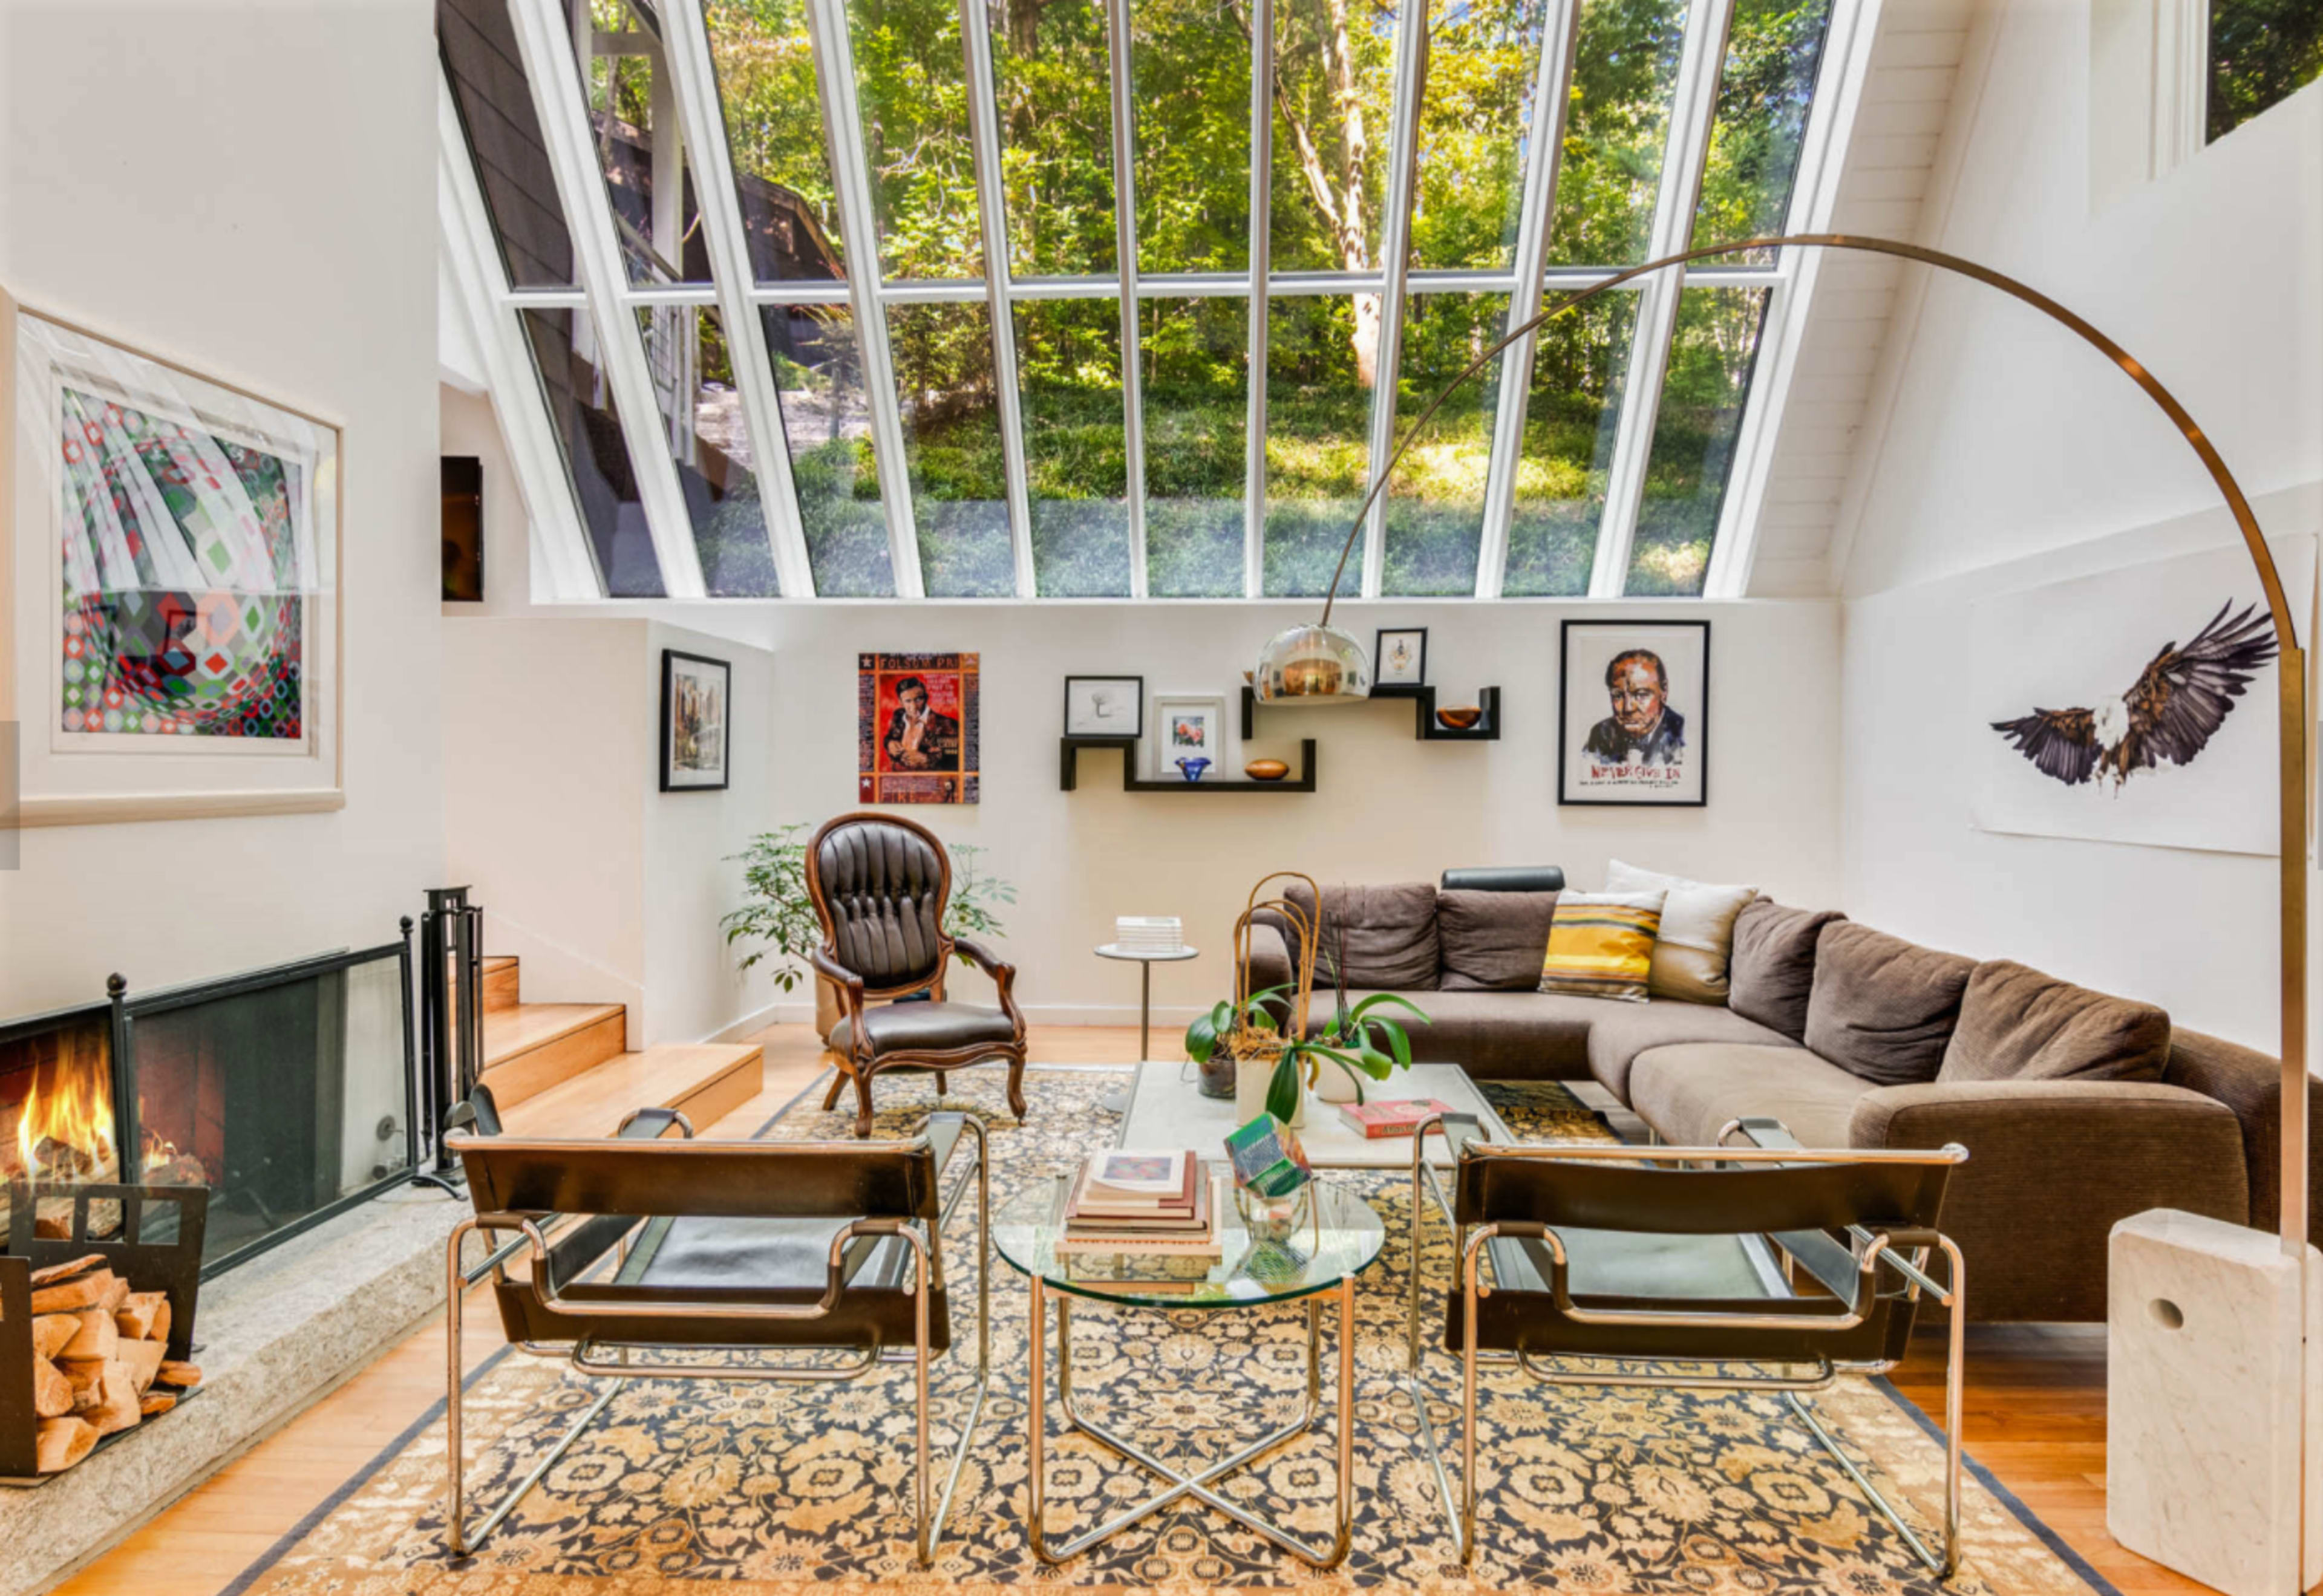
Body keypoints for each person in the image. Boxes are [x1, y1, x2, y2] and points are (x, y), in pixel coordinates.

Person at [1582, 648, 1686, 766]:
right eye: (1618, 695)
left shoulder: (1684, 734)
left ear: (1664, 691)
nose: (1628, 708)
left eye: (1641, 695)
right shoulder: (1601, 734)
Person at [882, 675, 961, 772]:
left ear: (926, 698)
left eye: (918, 699)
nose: (914, 707)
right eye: (908, 701)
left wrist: (929, 761)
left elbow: (958, 760)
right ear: (901, 702)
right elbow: (890, 737)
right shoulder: (898, 716)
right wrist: (889, 744)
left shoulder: (947, 724)